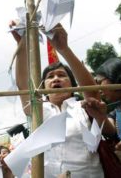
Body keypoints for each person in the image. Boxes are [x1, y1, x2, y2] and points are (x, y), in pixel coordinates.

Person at [13, 22, 104, 177]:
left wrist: (63, 49)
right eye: (50, 77)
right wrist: (22, 43)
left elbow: (92, 91)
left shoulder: (84, 107)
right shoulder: (38, 111)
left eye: (62, 75)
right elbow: (23, 86)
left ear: (74, 85)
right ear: (42, 87)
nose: (56, 79)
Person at [82, 58, 121, 149]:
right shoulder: (116, 113)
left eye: (99, 82)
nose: (99, 89)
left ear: (114, 76)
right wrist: (99, 116)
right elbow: (110, 131)